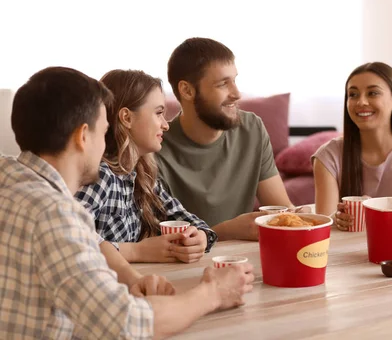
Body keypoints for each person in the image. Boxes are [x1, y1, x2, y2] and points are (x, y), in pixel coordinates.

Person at [0, 67, 254, 339]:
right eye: (104, 131)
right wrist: (214, 292)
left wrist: (131, 278)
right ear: (83, 136)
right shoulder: (55, 214)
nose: (105, 145)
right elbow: (128, 325)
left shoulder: (8, 176)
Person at [155, 37, 293, 241]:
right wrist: (226, 231)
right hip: (186, 266)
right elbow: (158, 240)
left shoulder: (252, 129)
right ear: (187, 90)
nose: (237, 94)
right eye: (222, 84)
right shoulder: (156, 149)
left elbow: (282, 211)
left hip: (244, 260)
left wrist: (302, 218)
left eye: (234, 81)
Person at [75, 69, 217, 263]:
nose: (165, 125)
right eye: (158, 113)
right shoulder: (101, 176)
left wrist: (200, 237)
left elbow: (181, 216)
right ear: (126, 118)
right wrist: (136, 251)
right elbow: (71, 239)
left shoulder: (141, 174)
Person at [312, 62, 392, 230]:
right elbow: (325, 222)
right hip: (350, 246)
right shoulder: (327, 156)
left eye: (372, 93)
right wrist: (339, 219)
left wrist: (377, 207)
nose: (361, 102)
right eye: (353, 95)